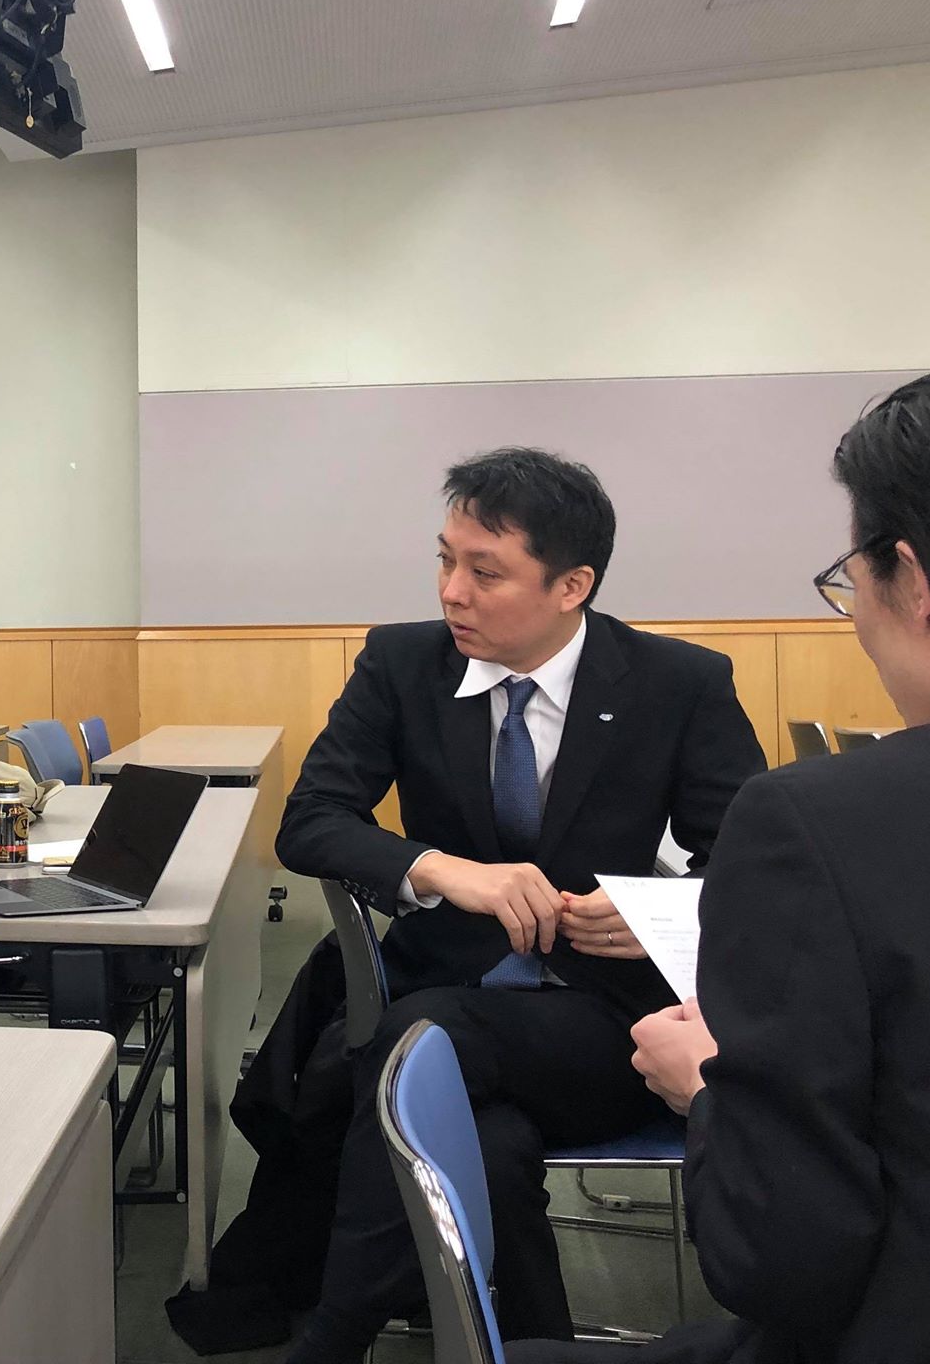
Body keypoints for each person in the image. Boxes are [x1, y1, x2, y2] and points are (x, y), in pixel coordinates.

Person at [174, 448, 766, 1363]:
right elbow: (312, 820)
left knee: (419, 1041)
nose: (453, 591)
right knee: (485, 1138)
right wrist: (443, 868)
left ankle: (335, 1336)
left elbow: (747, 863)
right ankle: (529, 1345)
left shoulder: (676, 683)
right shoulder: (402, 662)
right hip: (452, 978)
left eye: (485, 572)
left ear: (572, 586)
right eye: (445, 561)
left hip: (603, 1020)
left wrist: (658, 907)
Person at [511, 366, 930, 1363]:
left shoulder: (817, 820)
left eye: (849, 578)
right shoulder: (400, 665)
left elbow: (783, 1261)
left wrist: (711, 1090)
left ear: (911, 577)